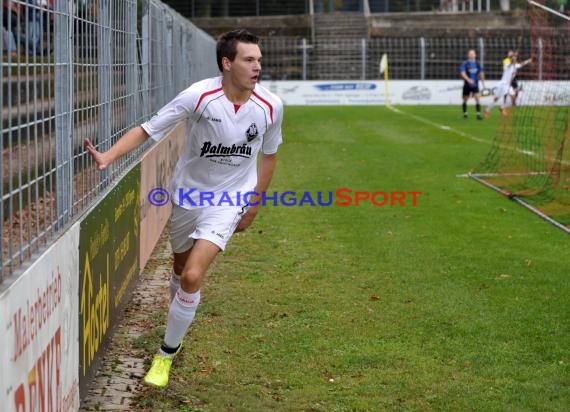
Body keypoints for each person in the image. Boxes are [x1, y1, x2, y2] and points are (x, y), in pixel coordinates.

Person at [85, 29, 284, 387]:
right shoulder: (199, 96)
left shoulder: (270, 106)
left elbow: (269, 156)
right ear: (227, 63)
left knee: (192, 275)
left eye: (259, 60)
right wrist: (108, 157)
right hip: (189, 197)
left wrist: (253, 202)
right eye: (249, 60)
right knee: (179, 271)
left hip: (229, 201)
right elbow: (149, 129)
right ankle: (179, 310)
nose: (258, 67)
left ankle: (165, 354)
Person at [485, 52, 531, 118]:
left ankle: (502, 108)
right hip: (502, 84)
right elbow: (510, 64)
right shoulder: (507, 63)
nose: (514, 57)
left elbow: (521, 64)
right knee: (496, 99)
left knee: (513, 97)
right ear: (510, 57)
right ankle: (487, 110)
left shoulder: (515, 65)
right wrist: (513, 58)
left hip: (507, 85)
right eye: (512, 56)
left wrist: (528, 61)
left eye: (514, 56)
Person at [460, 49, 486, 120]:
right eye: (470, 54)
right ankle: (465, 114)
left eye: (473, 54)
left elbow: (481, 73)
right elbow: (463, 73)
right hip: (467, 85)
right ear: (468, 55)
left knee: (477, 99)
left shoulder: (477, 63)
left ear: (475, 55)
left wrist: (483, 83)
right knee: (465, 99)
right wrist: (468, 80)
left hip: (475, 84)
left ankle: (478, 114)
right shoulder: (465, 63)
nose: (471, 55)